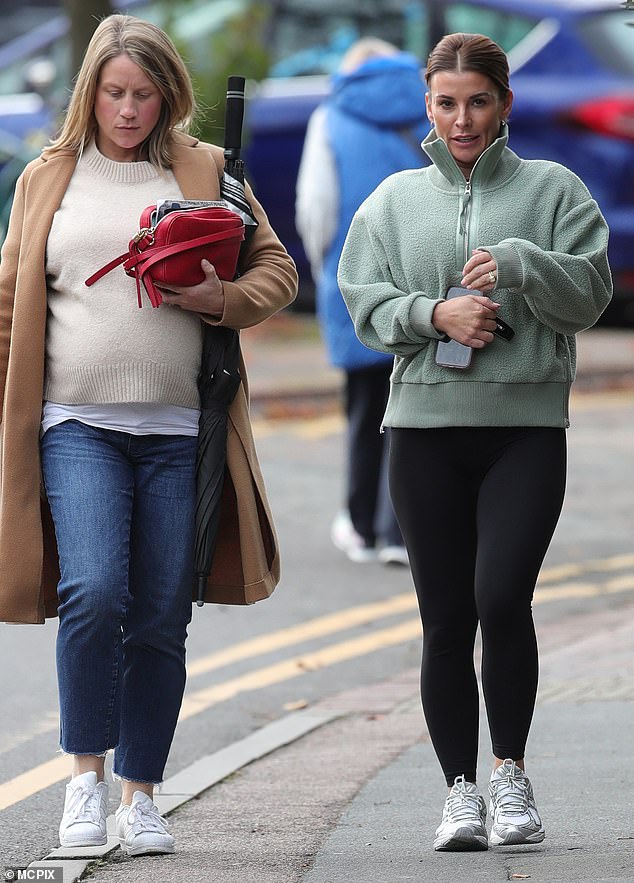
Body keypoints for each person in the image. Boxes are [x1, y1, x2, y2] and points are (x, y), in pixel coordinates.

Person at [0, 14, 297, 857]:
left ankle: (142, 794)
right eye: (113, 92)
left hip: (180, 431)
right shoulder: (45, 179)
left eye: (144, 94)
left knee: (162, 615)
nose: (127, 110)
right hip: (76, 425)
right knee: (93, 593)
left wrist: (221, 301)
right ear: (89, 92)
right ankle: (85, 782)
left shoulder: (207, 168)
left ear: (169, 95)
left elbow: (275, 269)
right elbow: (8, 304)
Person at [338, 32, 611, 851]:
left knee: (501, 597)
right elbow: (363, 301)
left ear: (504, 105)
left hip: (524, 428)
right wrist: (434, 314)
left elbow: (590, 296)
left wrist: (525, 263)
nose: (462, 119)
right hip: (423, 431)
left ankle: (510, 774)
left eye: (478, 102)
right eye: (447, 103)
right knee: (446, 617)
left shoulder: (554, 190)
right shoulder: (391, 202)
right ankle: (460, 792)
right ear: (429, 105)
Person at [296, 37, 428, 566]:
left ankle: (361, 526)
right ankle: (402, 531)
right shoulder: (431, 105)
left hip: (357, 282)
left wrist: (326, 266)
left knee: (364, 405)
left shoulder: (331, 115)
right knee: (415, 409)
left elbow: (316, 207)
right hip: (425, 284)